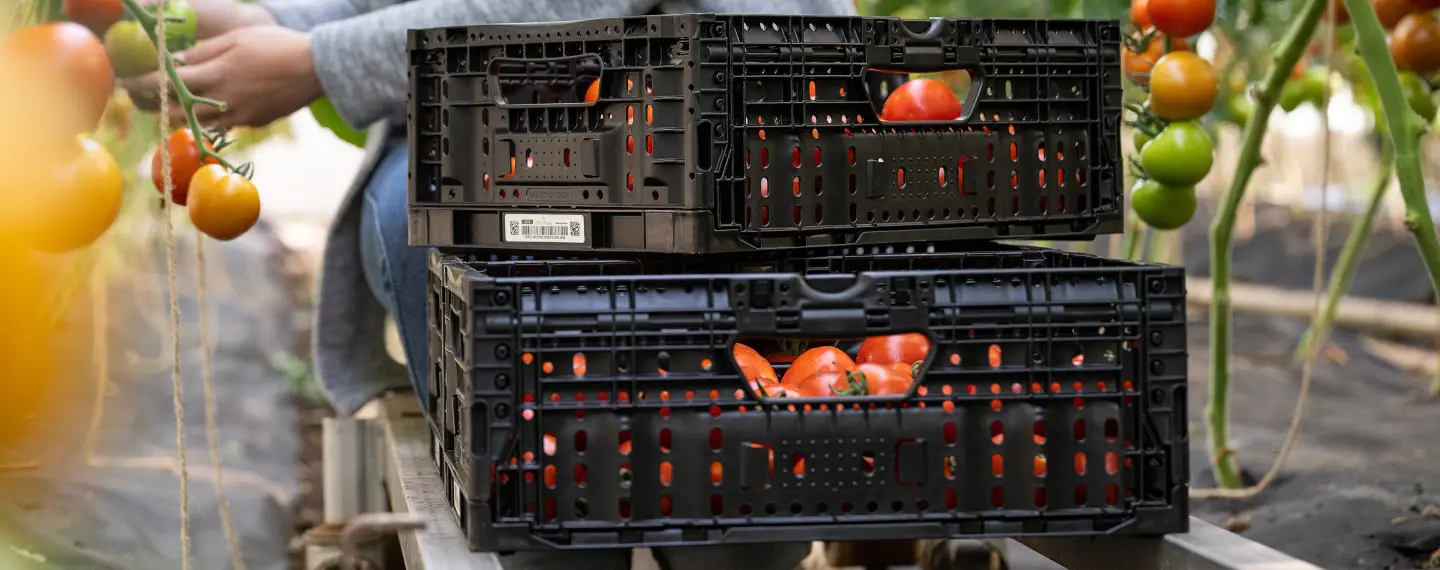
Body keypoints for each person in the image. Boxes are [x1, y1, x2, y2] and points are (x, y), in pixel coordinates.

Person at [124, 0, 857, 568]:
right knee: (457, 241)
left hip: (725, 136)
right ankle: (548, 521)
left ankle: (694, 526)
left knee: (717, 495)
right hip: (570, 138)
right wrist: (211, 22)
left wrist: (316, 60)